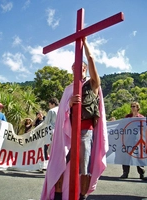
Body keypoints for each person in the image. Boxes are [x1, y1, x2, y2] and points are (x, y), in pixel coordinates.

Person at [41, 37, 108, 200]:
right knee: (59, 166)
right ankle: (57, 196)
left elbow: (91, 58)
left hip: (85, 131)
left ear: (85, 69)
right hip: (67, 133)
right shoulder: (68, 89)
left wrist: (84, 42)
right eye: (74, 68)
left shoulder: (93, 84)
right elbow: (62, 114)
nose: (77, 69)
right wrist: (69, 104)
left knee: (83, 169)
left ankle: (82, 198)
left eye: (81, 67)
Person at [120, 101, 145, 179]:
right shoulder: (127, 117)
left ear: (138, 108)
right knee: (126, 156)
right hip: (128, 139)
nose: (132, 108)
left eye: (134, 106)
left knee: (139, 156)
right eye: (131, 106)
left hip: (138, 140)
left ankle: (141, 173)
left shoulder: (141, 117)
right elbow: (122, 126)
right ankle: (125, 173)